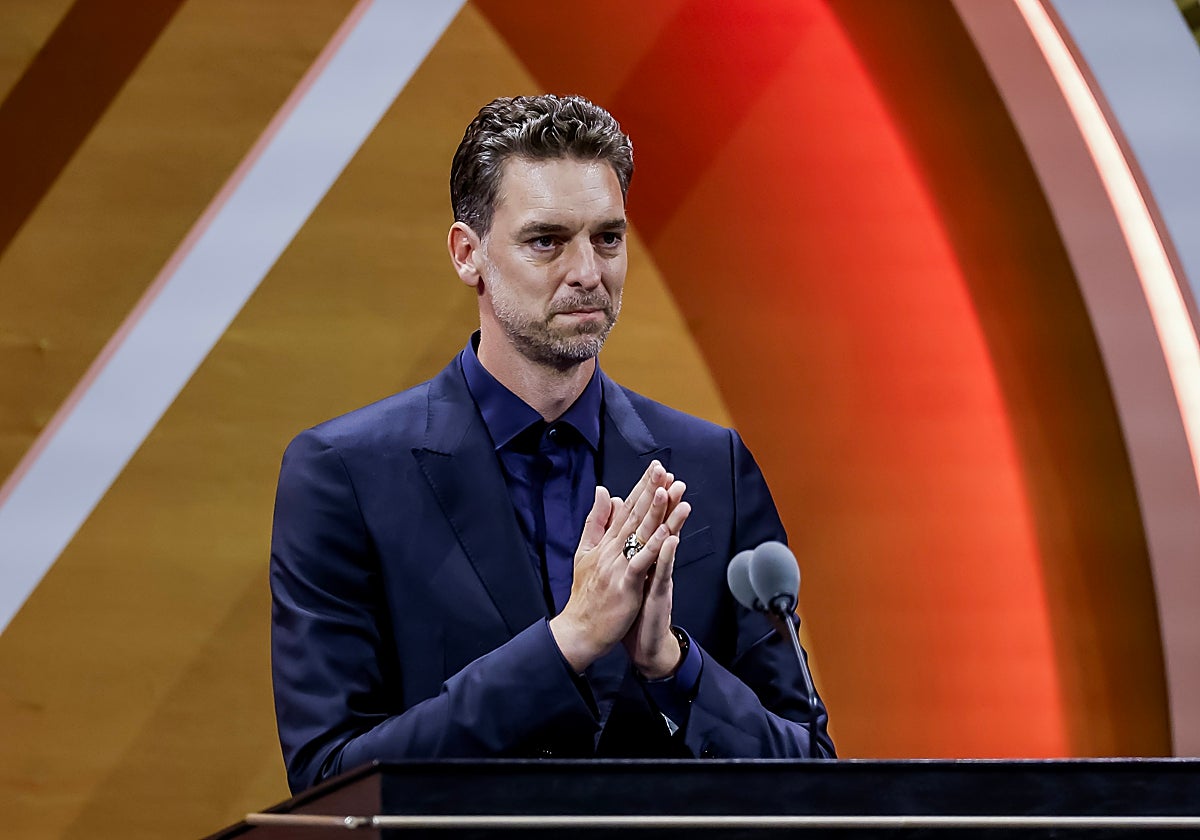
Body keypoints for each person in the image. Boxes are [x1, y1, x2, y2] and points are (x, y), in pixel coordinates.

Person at [270, 94, 835, 794]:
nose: (587, 272)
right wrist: (565, 645)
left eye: (607, 238)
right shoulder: (345, 475)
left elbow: (813, 775)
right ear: (468, 254)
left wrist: (672, 664)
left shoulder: (710, 467)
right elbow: (332, 779)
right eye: (547, 241)